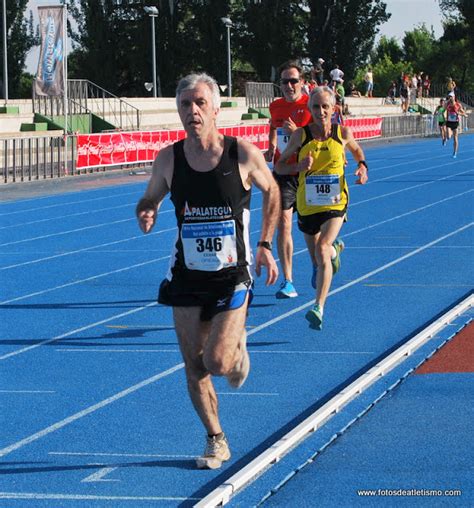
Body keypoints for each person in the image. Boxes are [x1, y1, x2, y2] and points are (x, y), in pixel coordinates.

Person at [136, 72, 279, 469]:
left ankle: (235, 350)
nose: (192, 111)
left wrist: (265, 245)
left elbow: (273, 191)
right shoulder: (169, 159)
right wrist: (146, 210)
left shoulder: (242, 154)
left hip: (232, 274)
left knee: (217, 362)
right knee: (194, 363)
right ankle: (216, 438)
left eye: (200, 103)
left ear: (216, 108)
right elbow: (149, 197)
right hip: (185, 274)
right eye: (185, 104)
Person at [275, 86, 368, 330]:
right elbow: (280, 167)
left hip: (336, 202)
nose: (321, 111)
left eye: (325, 106)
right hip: (307, 205)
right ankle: (333, 253)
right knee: (317, 258)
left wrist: (362, 167)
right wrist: (299, 167)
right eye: (316, 107)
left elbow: (357, 150)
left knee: (322, 248)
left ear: (334, 109)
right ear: (310, 109)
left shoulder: (342, 132)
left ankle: (318, 307)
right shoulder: (300, 136)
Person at [265, 60, 313, 299]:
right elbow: (273, 126)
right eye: (285, 81)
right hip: (283, 172)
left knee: (311, 229)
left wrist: (297, 134)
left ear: (302, 83)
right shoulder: (275, 107)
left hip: (308, 173)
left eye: (294, 80)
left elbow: (321, 139)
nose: (289, 85)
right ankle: (289, 281)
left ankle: (328, 252)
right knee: (284, 222)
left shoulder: (312, 105)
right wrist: (271, 145)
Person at [445, 94, 467, 158]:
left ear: (454, 97)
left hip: (455, 123)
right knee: (449, 136)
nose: (450, 98)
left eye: (451, 96)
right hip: (449, 122)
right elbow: (445, 110)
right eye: (449, 97)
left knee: (455, 138)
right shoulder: (447, 104)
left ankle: (455, 152)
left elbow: (464, 113)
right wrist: (445, 117)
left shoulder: (458, 105)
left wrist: (459, 113)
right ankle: (448, 135)